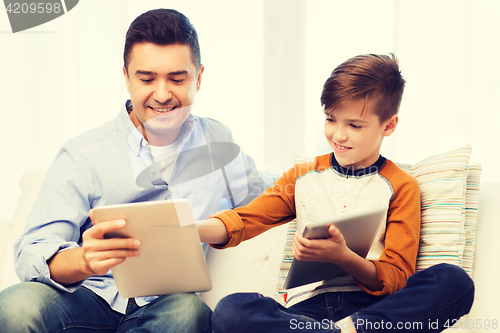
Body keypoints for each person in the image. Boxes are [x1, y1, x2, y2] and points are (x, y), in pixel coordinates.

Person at [0, 8, 272, 333]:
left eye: (177, 78)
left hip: (168, 304)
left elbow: (269, 195)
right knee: (15, 307)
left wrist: (334, 174)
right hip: (90, 297)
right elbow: (32, 251)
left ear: (198, 78)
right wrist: (84, 260)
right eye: (146, 79)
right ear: (126, 78)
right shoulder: (83, 155)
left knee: (190, 314)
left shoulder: (219, 143)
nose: (161, 94)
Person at [197, 54, 475, 332]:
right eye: (331, 119)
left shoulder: (401, 186)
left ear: (388, 125)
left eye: (354, 125)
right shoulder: (302, 176)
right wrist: (188, 230)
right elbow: (245, 220)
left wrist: (343, 256)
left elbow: (396, 278)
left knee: (454, 281)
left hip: (373, 312)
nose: (338, 135)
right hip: (305, 315)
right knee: (231, 311)